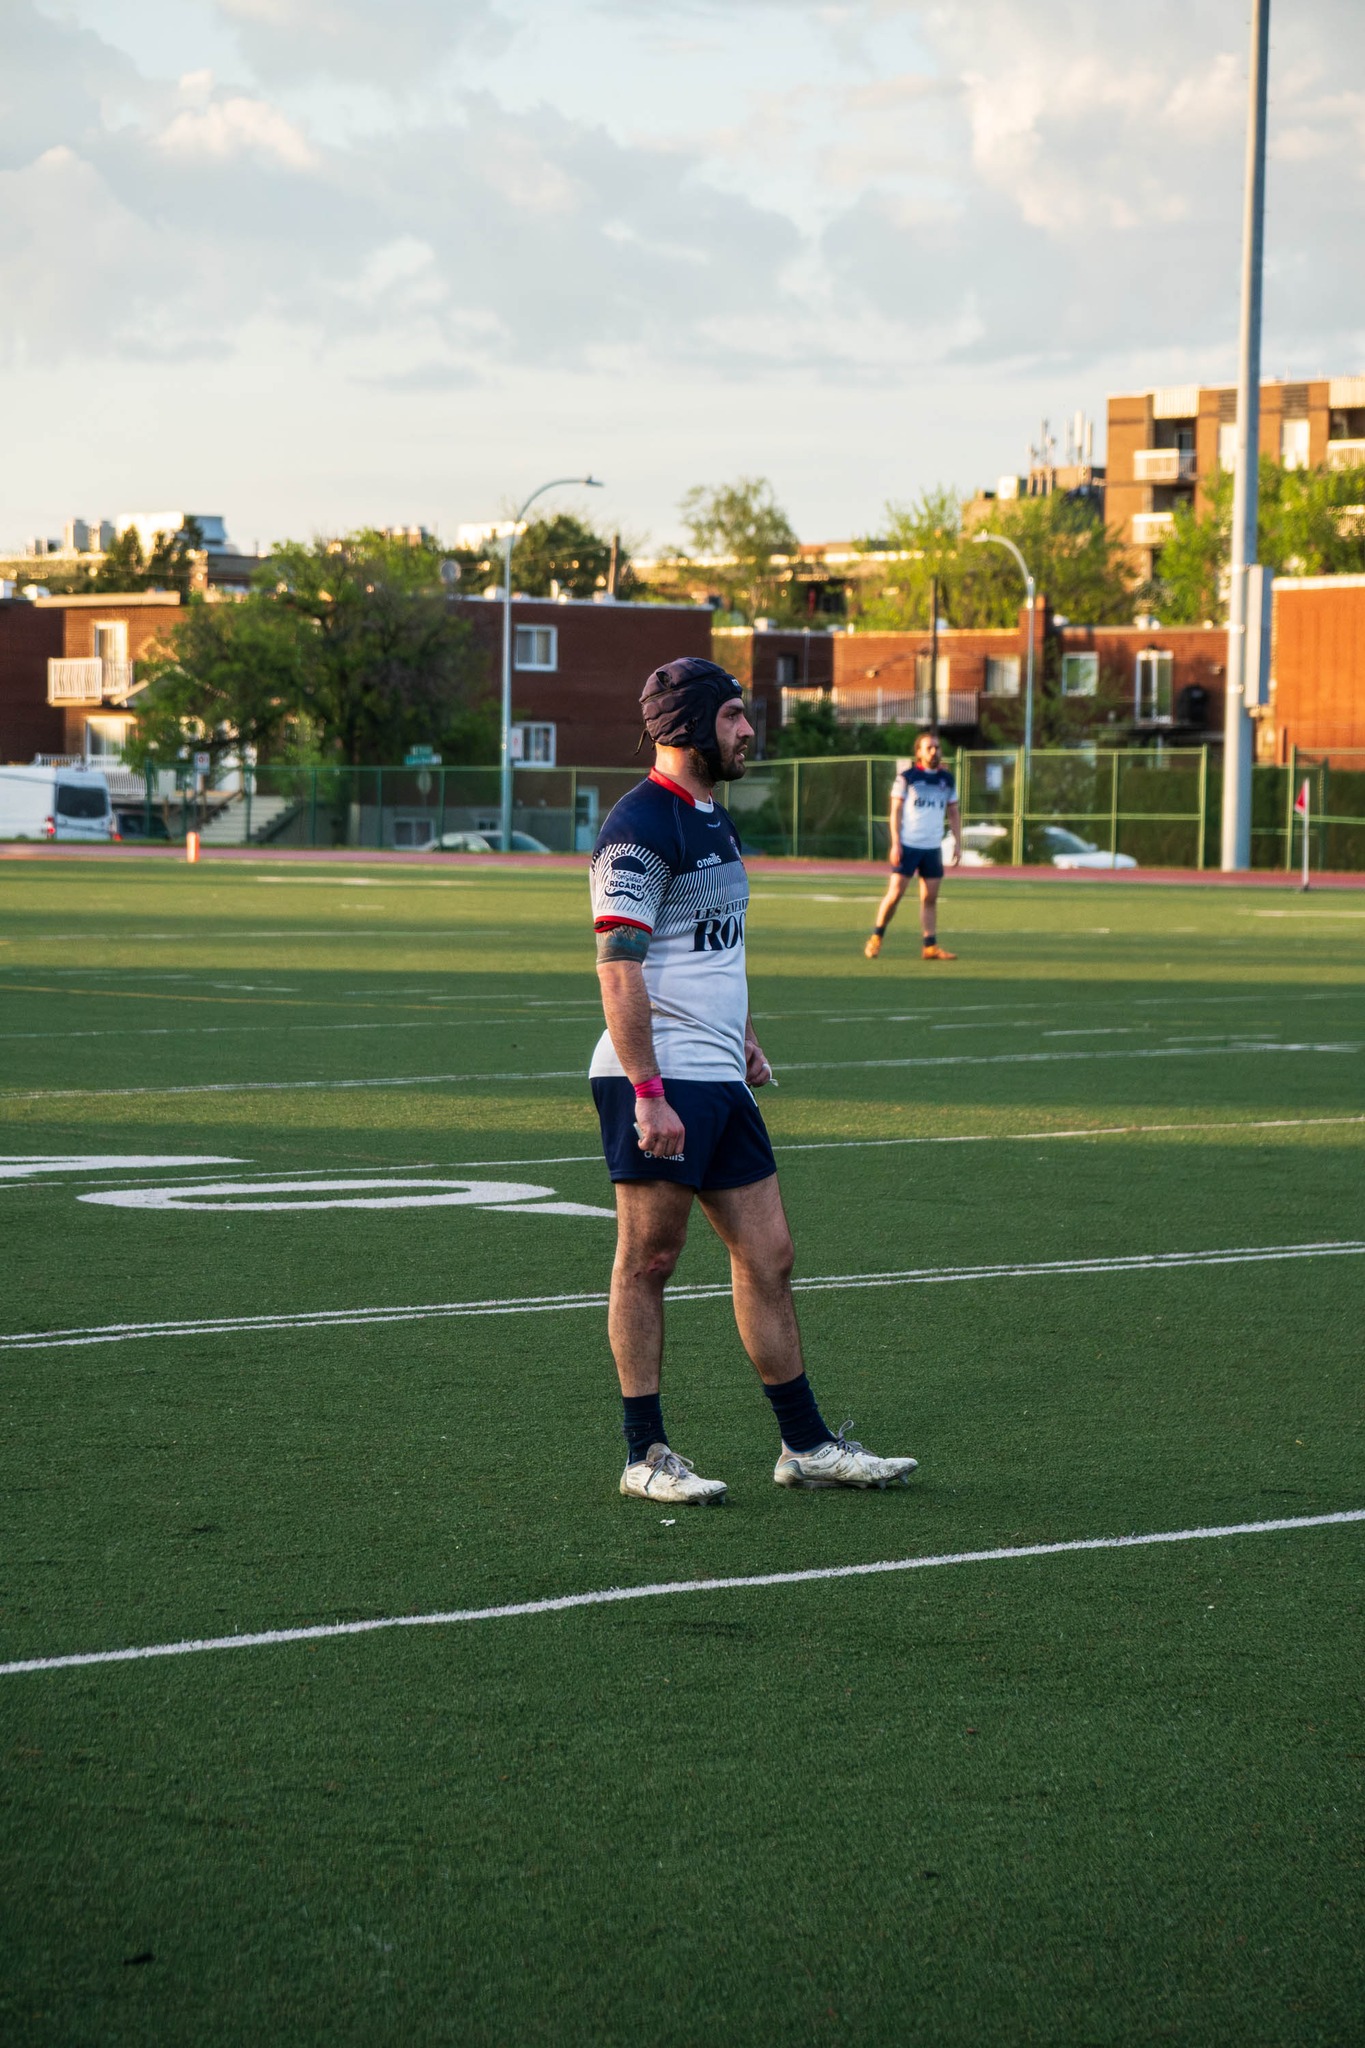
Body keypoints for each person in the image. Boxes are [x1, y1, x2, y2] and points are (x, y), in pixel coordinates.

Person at [589, 655, 919, 1506]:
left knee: (769, 1256)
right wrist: (648, 1092)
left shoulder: (714, 821)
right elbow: (618, 969)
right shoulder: (638, 825)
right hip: (660, 1078)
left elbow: (713, 946)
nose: (747, 732)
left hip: (717, 1072)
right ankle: (644, 1454)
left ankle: (804, 1445)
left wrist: (745, 1036)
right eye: (734, 716)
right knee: (650, 1260)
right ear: (693, 726)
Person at [864, 730, 961, 960]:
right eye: (929, 747)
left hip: (932, 848)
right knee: (895, 894)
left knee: (930, 898)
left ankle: (930, 945)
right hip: (909, 845)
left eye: (937, 747)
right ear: (919, 752)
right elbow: (895, 812)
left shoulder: (947, 780)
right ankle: (876, 937)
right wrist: (895, 843)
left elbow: (954, 812)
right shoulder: (907, 778)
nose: (934, 751)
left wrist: (958, 842)